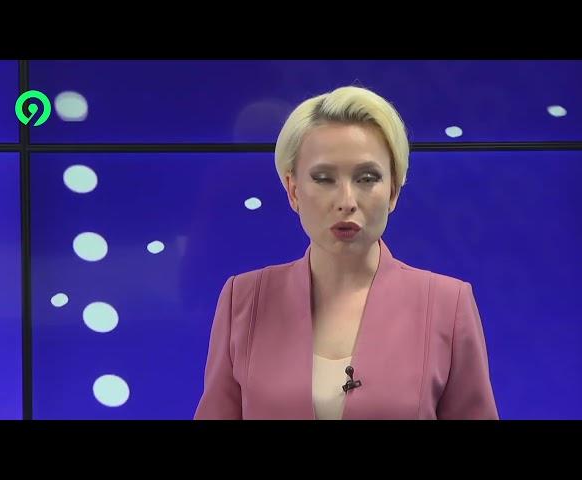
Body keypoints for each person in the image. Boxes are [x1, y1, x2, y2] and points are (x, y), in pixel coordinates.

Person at [194, 85, 499, 419]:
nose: (347, 201)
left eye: (367, 178)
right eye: (324, 178)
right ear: (293, 191)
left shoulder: (447, 304)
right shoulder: (243, 300)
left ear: (393, 191)